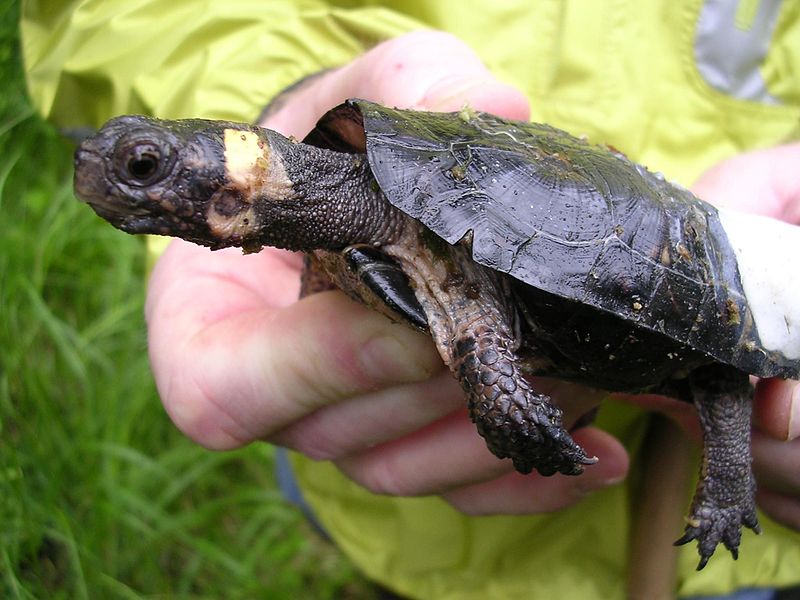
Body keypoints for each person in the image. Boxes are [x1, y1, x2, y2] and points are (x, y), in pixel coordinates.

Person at [23, 1, 800, 597]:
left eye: (146, 163)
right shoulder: (336, 212)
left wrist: (516, 419)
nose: (114, 173)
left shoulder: (403, 222)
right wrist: (279, 90)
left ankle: (726, 494)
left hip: (668, 254)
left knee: (718, 376)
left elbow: (485, 355)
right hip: (415, 520)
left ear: (240, 183)